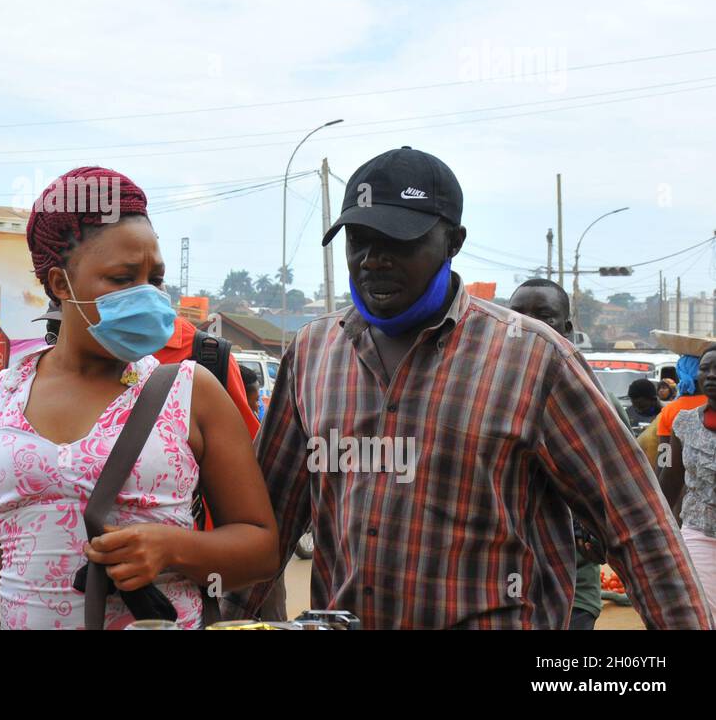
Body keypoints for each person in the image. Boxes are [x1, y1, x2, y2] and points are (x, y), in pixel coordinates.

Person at [226, 146, 714, 629]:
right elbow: (269, 518)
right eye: (359, 239)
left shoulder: (533, 359)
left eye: (398, 241)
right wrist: (227, 617)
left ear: (453, 241)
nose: (373, 260)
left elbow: (638, 527)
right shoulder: (313, 353)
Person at [0, 165, 278, 630]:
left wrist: (172, 548)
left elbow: (261, 548)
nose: (149, 296)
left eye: (156, 278)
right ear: (59, 284)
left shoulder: (191, 392)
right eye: (123, 278)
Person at [508, 277, 610, 631]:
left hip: (570, 583)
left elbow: (617, 495)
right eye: (516, 313)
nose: (527, 324)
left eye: (544, 315)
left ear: (565, 328)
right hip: (496, 585)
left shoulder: (595, 404)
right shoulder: (482, 396)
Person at [659, 343, 716, 618]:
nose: (711, 375)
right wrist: (655, 527)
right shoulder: (683, 422)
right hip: (698, 533)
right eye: (705, 369)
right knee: (702, 614)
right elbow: (669, 479)